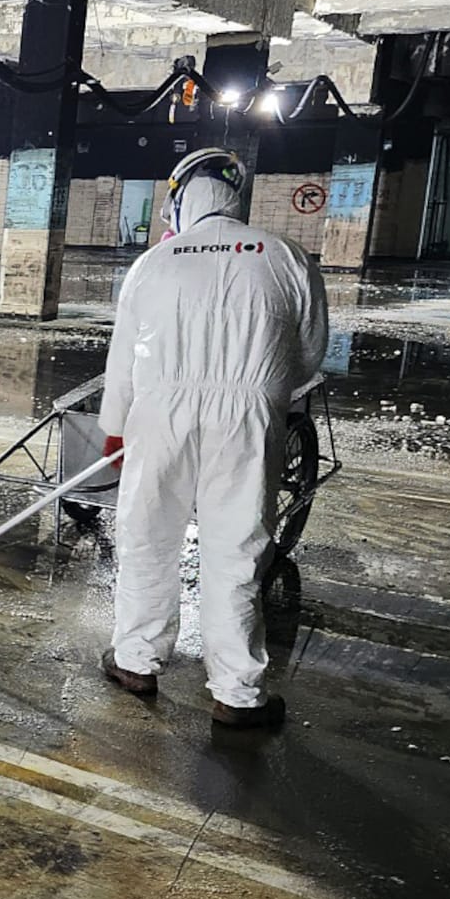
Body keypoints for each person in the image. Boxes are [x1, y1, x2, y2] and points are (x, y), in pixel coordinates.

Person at [96, 148, 328, 728]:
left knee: (148, 535)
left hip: (159, 415)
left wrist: (115, 431)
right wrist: (263, 393)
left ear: (180, 198)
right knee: (239, 548)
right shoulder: (285, 256)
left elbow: (122, 359)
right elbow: (308, 353)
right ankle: (238, 693)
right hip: (249, 416)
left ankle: (136, 661)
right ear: (235, 197)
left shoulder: (154, 262)